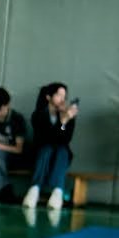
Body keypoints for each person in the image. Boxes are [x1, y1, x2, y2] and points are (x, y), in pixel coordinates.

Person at [23, 84, 77, 212]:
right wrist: (62, 123)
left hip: (59, 152)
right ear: (48, 97)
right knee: (47, 148)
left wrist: (64, 122)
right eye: (59, 95)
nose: (62, 99)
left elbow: (64, 139)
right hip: (41, 151)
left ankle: (57, 192)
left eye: (64, 96)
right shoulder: (38, 115)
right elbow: (46, 138)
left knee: (62, 150)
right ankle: (34, 190)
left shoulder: (68, 116)